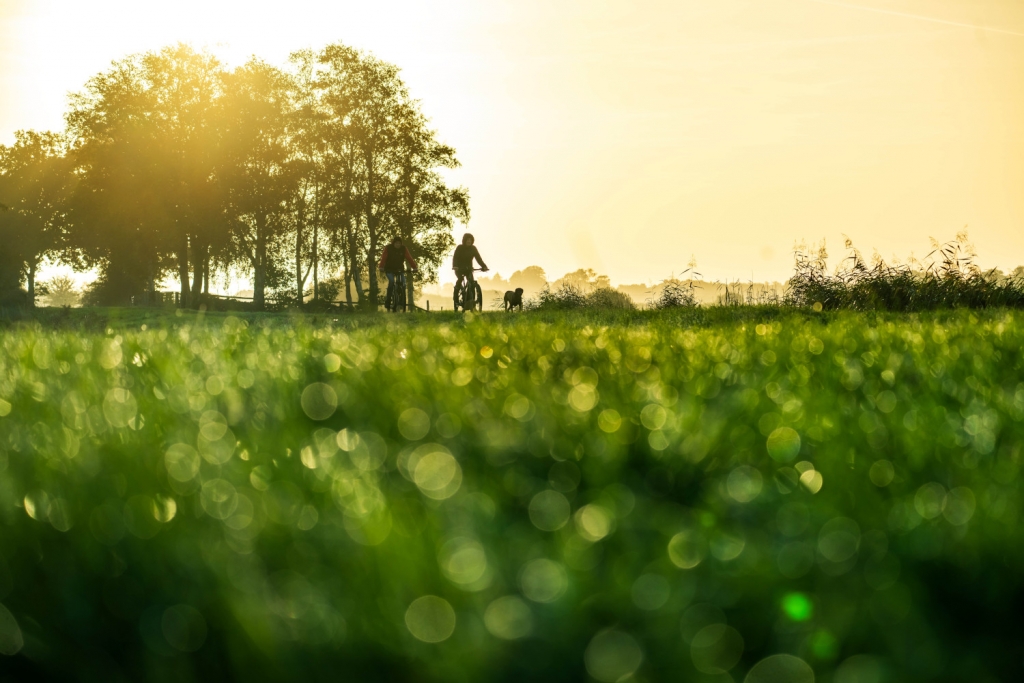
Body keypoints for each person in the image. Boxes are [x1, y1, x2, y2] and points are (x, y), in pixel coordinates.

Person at [378, 236, 417, 310]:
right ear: (393, 243)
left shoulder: (403, 249)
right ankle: (388, 301)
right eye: (396, 243)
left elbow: (409, 258)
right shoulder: (388, 248)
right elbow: (384, 257)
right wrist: (381, 267)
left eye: (399, 243)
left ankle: (401, 298)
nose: (398, 245)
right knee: (392, 281)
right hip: (389, 269)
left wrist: (414, 267)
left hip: (400, 269)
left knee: (403, 283)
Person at [452, 233, 488, 308]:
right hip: (459, 269)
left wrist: (484, 266)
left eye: (470, 240)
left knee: (471, 283)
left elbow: (478, 258)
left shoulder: (473, 249)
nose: (469, 241)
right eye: (467, 240)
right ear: (464, 240)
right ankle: (456, 298)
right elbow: (455, 257)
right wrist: (455, 266)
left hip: (468, 269)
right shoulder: (460, 248)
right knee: (460, 279)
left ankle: (471, 302)